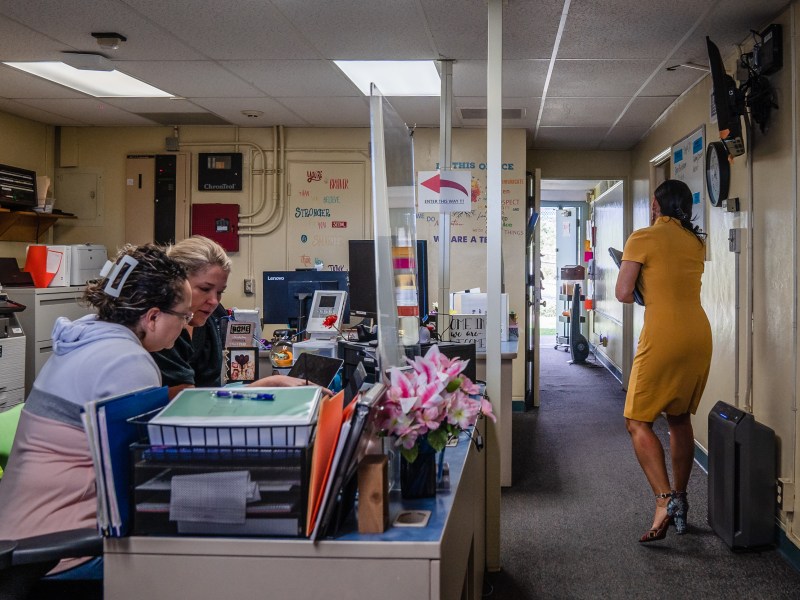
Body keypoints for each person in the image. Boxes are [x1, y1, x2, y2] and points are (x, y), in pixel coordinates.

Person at [0, 244, 191, 577]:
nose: (188, 325)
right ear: (154, 316)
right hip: (60, 550)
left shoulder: (86, 338)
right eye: (184, 316)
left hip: (21, 538)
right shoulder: (128, 361)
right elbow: (140, 478)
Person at [615, 179, 712, 543]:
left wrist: (638, 282)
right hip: (699, 335)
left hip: (664, 336)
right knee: (678, 417)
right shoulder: (696, 241)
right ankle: (682, 500)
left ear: (656, 205)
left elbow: (623, 292)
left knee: (636, 421)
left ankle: (663, 499)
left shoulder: (643, 236)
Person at [151, 236, 307, 398]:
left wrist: (272, 383)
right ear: (176, 284)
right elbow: (183, 398)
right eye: (205, 288)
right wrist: (267, 384)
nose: (214, 301)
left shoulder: (210, 323)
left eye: (219, 292)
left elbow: (206, 394)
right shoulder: (159, 331)